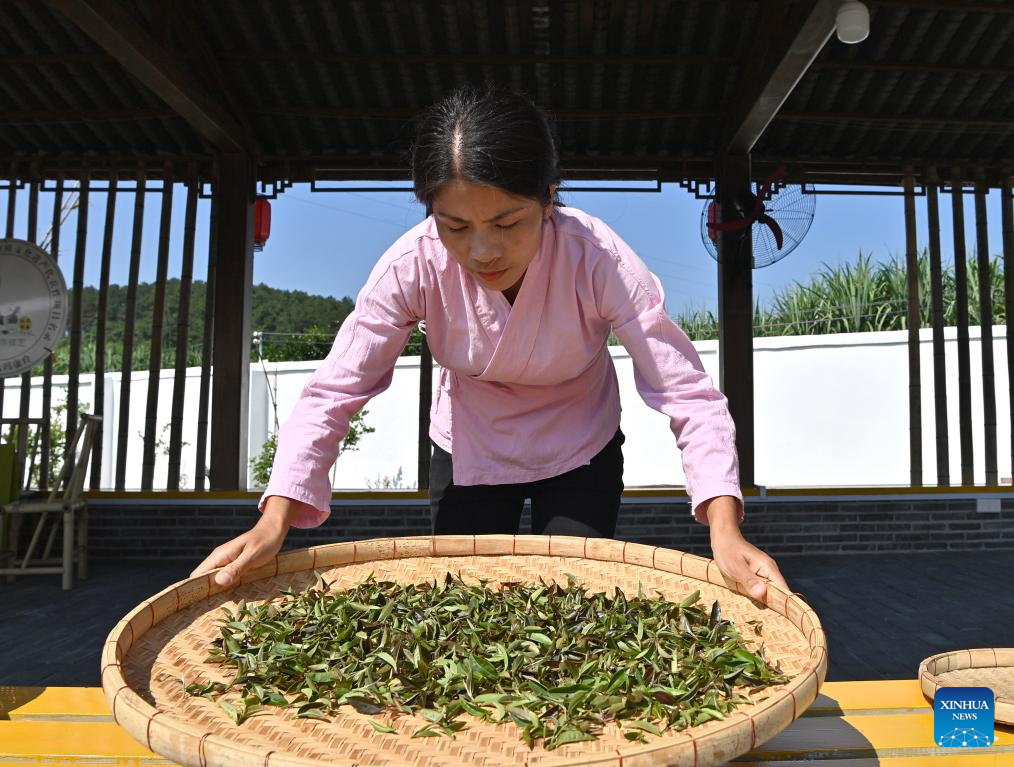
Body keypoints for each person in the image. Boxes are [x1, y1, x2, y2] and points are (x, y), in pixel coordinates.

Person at [192, 84, 789, 602]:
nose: (482, 251)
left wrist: (725, 529)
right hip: (470, 447)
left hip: (580, 444)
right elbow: (335, 390)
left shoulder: (599, 258)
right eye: (455, 226)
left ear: (550, 197)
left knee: (574, 601)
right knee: (464, 603)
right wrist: (275, 519)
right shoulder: (412, 265)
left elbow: (686, 391)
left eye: (507, 223)